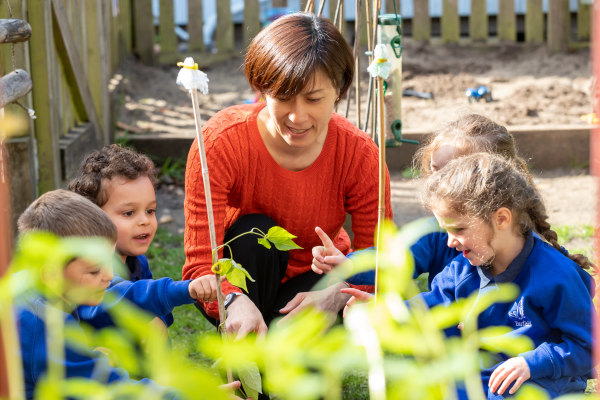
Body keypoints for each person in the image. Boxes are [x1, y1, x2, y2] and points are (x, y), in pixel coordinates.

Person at [183, 12, 392, 337]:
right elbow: (198, 265)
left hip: (315, 282)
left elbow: (379, 261)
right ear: (261, 88)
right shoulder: (219, 142)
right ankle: (248, 358)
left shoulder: (360, 154)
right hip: (239, 275)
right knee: (255, 233)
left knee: (298, 381)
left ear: (339, 89)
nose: (297, 116)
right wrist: (232, 300)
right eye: (282, 97)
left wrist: (334, 296)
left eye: (314, 99)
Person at [350, 154, 595, 398]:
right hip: (485, 373)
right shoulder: (463, 268)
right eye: (446, 230)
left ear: (501, 218)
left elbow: (588, 345)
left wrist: (531, 363)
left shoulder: (556, 276)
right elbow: (432, 307)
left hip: (541, 379)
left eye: (459, 229)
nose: (450, 241)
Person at [14, 190, 238, 400]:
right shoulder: (46, 326)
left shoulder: (30, 283)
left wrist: (184, 290)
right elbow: (112, 390)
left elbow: (123, 296)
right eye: (94, 270)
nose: (109, 275)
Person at [312, 114, 530, 289]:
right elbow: (394, 258)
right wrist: (349, 264)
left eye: (452, 173)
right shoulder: (435, 234)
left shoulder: (532, 256)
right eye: (435, 170)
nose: (436, 183)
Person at [68, 144, 218, 331]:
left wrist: (159, 321)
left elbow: (153, 308)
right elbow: (123, 298)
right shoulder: (90, 264)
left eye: (150, 211)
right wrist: (182, 290)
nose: (144, 221)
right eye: (129, 213)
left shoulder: (137, 261)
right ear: (93, 216)